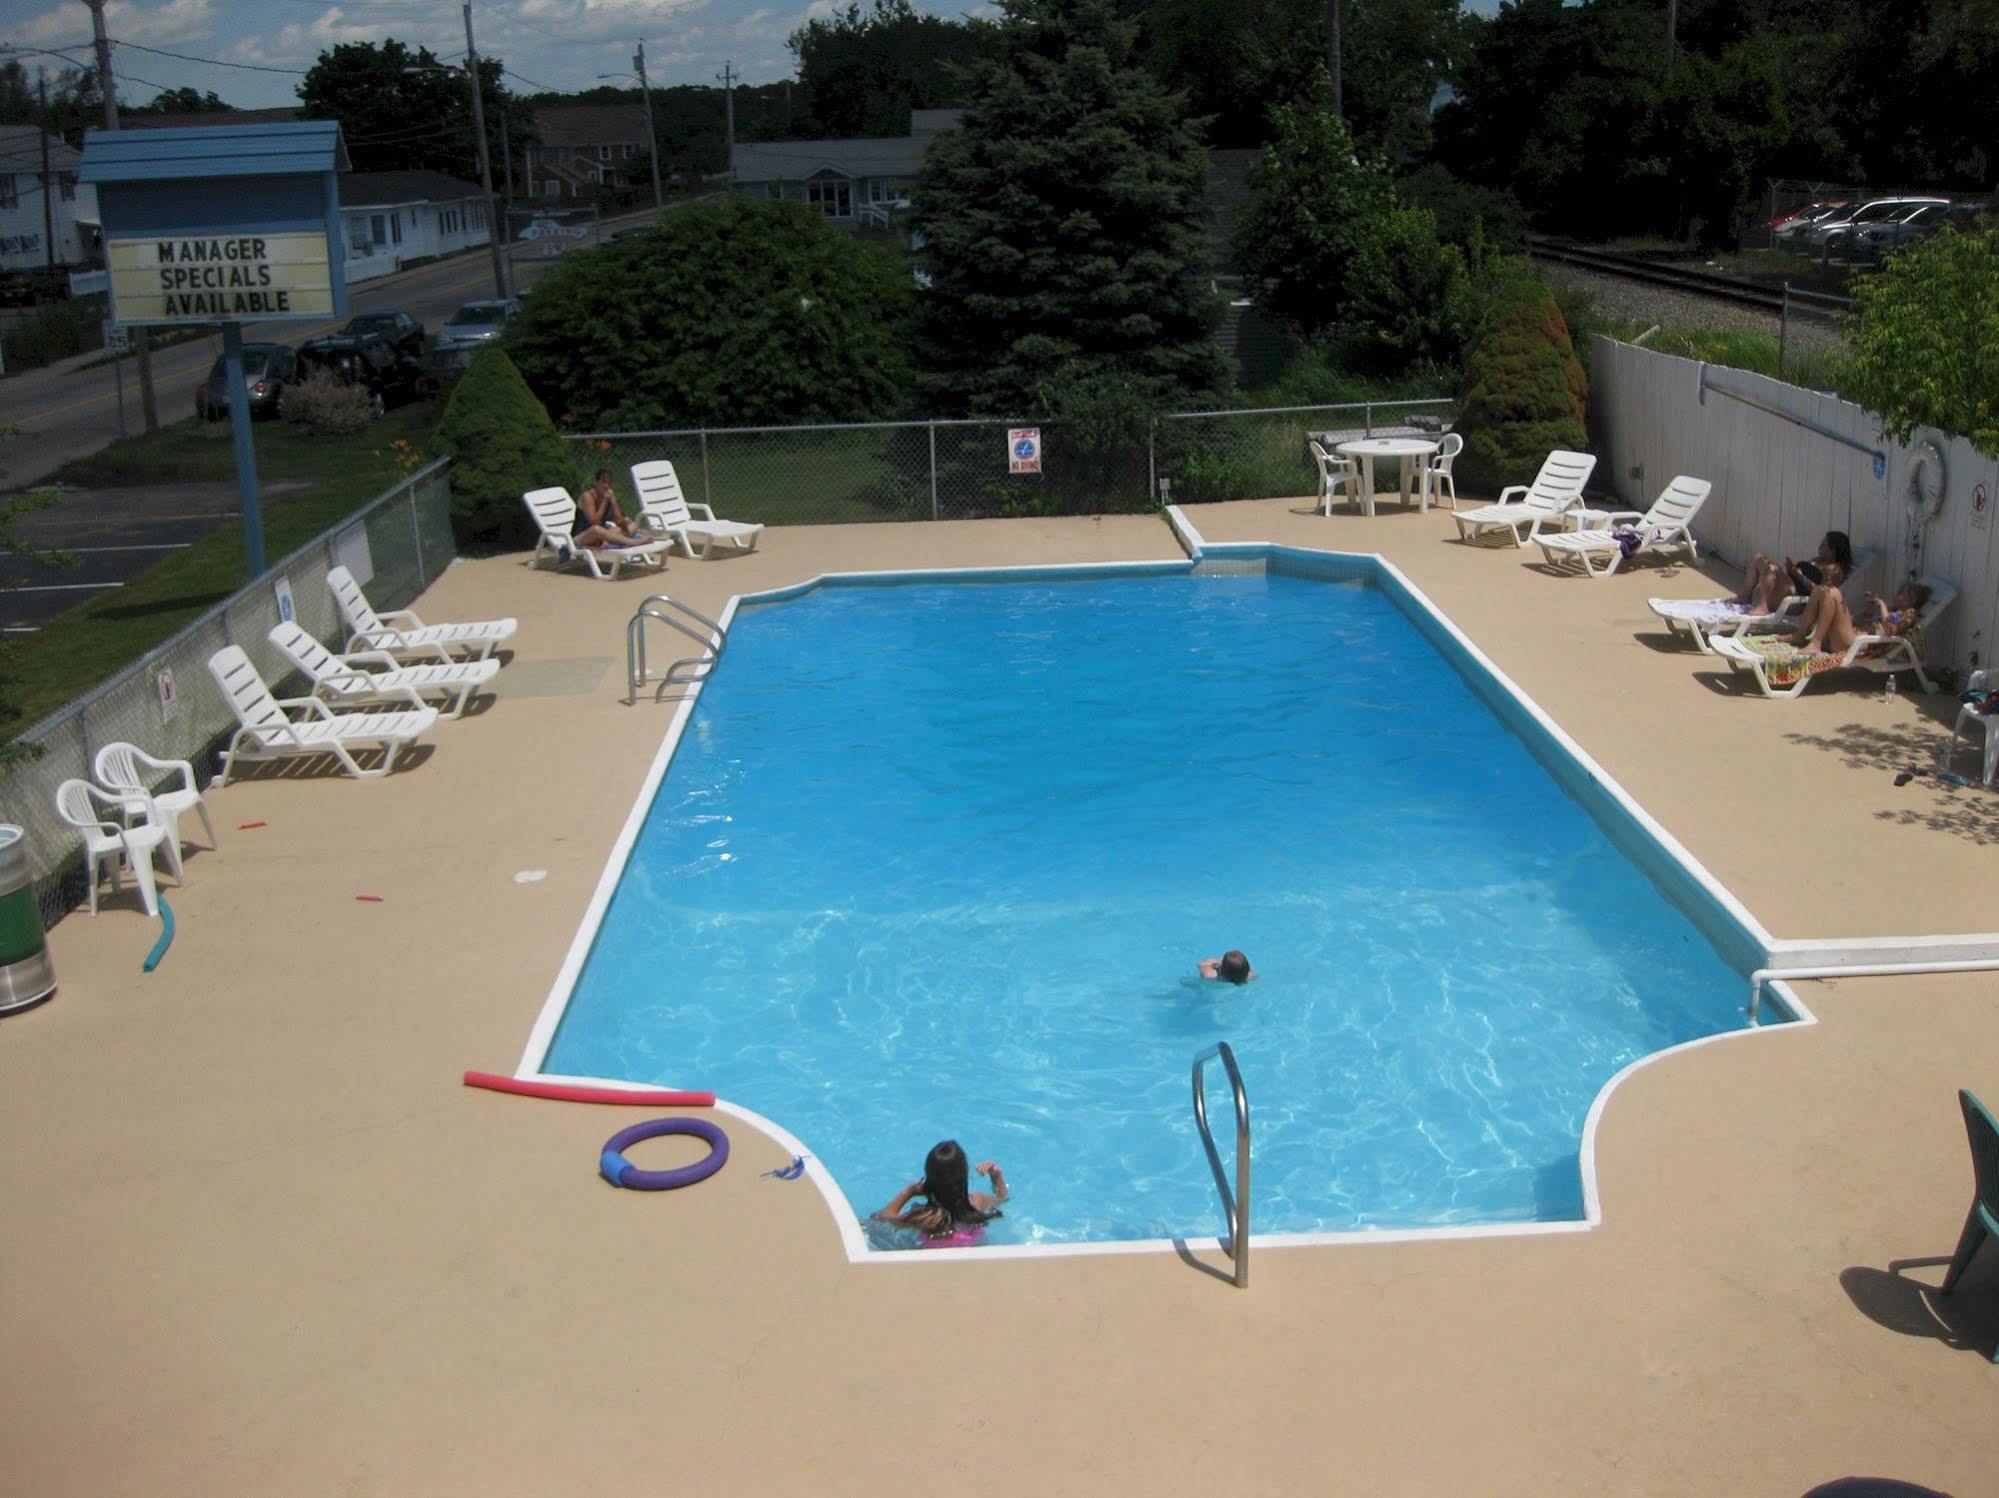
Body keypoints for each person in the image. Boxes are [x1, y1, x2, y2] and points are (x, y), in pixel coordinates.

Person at [874, 1140, 1007, 1248]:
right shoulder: (977, 1202)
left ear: (929, 1179)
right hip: (975, 1260)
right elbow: (1002, 1197)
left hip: (938, 1271)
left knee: (871, 1226)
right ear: (964, 1176)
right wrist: (996, 1174)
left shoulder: (925, 1217)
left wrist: (908, 1192)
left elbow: (882, 1217)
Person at [572, 468, 645, 550]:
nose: (606, 486)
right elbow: (595, 522)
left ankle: (612, 542)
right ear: (596, 483)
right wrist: (605, 501)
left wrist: (613, 501)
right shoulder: (587, 496)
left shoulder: (607, 496)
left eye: (609, 483)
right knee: (596, 529)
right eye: (603, 482)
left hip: (600, 537)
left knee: (632, 524)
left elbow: (619, 521)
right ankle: (633, 542)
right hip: (580, 538)